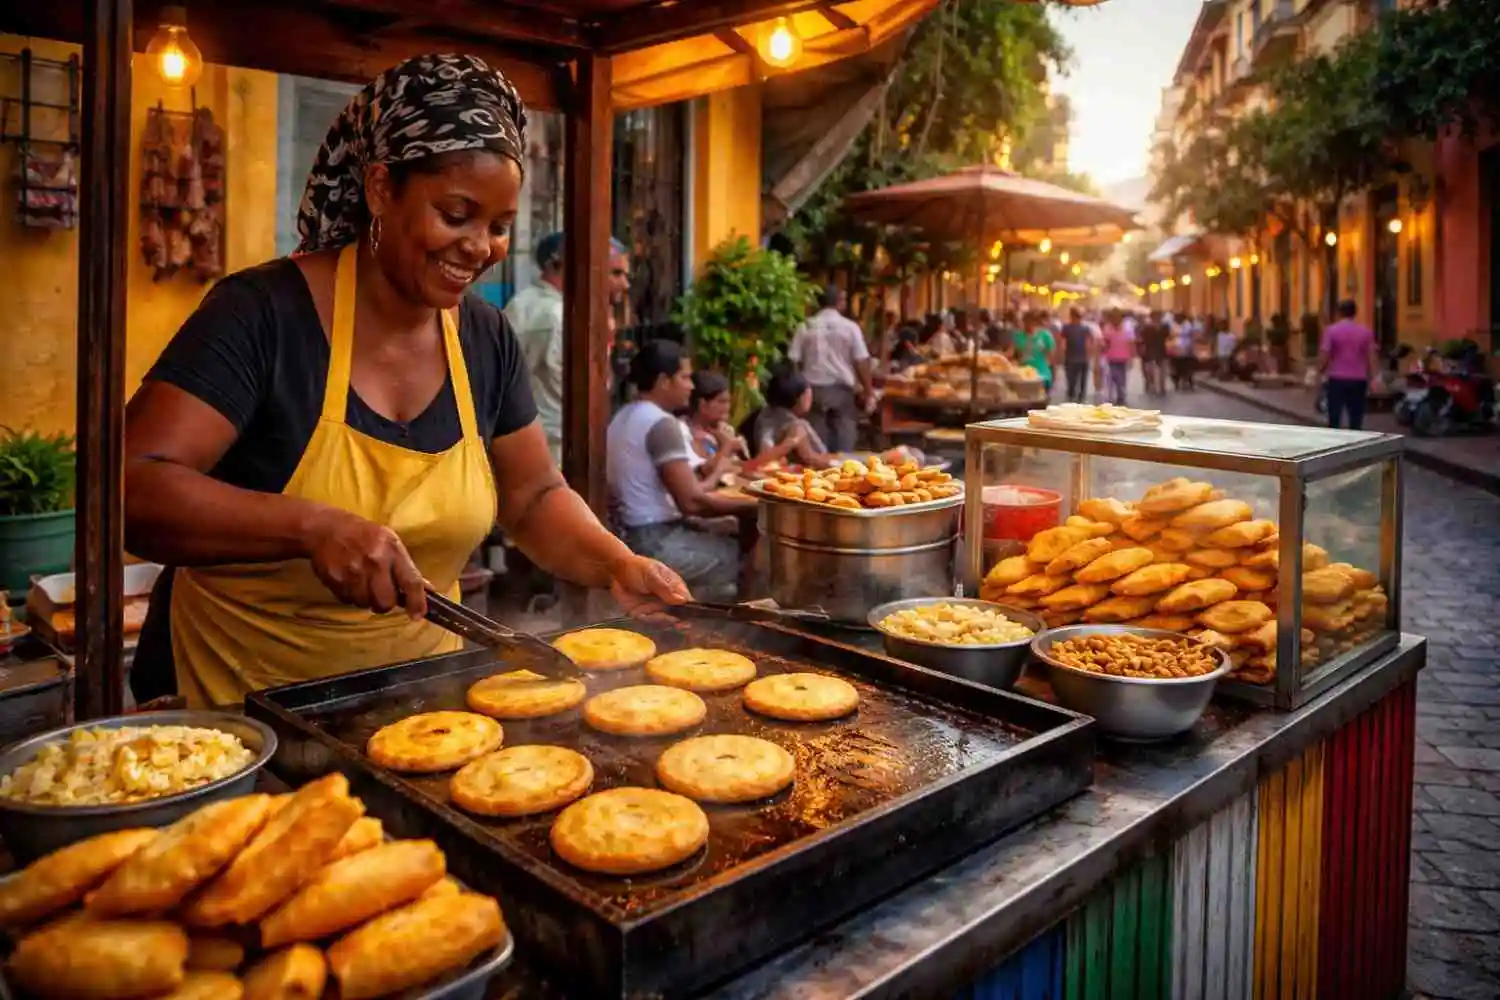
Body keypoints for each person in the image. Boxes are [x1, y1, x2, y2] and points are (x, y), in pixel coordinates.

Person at [122, 55, 688, 709]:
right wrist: (311, 527)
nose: (479, 247)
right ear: (381, 188)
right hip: (246, 716)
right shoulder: (262, 316)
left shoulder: (484, 338)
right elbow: (132, 487)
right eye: (456, 214)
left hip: (425, 713)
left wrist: (616, 562)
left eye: (499, 227)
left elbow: (531, 497)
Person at [607, 341, 757, 602]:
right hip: (653, 541)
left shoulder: (623, 415)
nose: (691, 385)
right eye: (685, 377)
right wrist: (754, 507)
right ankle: (726, 629)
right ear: (664, 381)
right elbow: (691, 502)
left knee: (728, 534)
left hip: (627, 533)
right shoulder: (661, 424)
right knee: (745, 556)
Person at [504, 232, 630, 466]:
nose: (624, 284)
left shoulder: (522, 304)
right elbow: (590, 390)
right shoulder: (561, 317)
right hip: (555, 448)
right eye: (615, 273)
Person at [787, 284, 875, 453]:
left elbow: (793, 361)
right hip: (842, 392)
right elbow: (861, 360)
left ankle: (818, 473)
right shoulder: (850, 327)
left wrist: (799, 391)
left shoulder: (805, 326)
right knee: (844, 440)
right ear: (840, 302)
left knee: (816, 443)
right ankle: (841, 472)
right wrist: (868, 391)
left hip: (812, 391)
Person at [744, 367, 833, 469]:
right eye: (808, 392)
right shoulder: (771, 418)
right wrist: (792, 443)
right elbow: (763, 457)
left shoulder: (794, 420)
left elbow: (822, 455)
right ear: (798, 397)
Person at [1319, 299, 1377, 430]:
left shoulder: (1331, 331)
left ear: (1339, 313)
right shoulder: (1366, 332)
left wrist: (1320, 371)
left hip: (1336, 378)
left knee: (1334, 416)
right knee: (1356, 417)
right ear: (1355, 313)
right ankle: (1354, 442)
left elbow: (1325, 355)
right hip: (1358, 379)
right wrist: (1373, 378)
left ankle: (1335, 443)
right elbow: (1371, 356)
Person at [680, 371, 740, 486]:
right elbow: (701, 474)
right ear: (702, 404)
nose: (727, 407)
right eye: (722, 401)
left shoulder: (723, 430)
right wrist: (726, 446)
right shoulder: (681, 431)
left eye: (729, 402)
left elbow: (735, 468)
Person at [1012, 311, 1058, 395]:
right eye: (1025, 322)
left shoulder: (1045, 336)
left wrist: (1054, 379)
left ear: (1036, 322)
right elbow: (1011, 353)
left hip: (1042, 375)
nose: (1027, 326)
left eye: (1030, 322)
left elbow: (1052, 359)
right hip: (1024, 376)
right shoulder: (1019, 336)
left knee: (1039, 404)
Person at [1100, 309, 1136, 405]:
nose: (1115, 320)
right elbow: (1104, 343)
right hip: (1111, 357)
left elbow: (1131, 343)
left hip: (1123, 358)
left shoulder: (1127, 328)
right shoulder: (1107, 328)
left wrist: (1132, 357)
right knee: (1111, 378)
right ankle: (1110, 397)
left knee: (1121, 379)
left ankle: (1121, 396)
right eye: (1113, 317)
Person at [1059, 307, 1094, 404]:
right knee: (1081, 379)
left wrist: (1062, 355)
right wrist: (1088, 356)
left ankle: (1072, 396)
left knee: (1072, 379)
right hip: (1081, 358)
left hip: (1071, 358)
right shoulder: (1085, 328)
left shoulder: (1066, 327)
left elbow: (1063, 344)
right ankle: (1080, 397)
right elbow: (1088, 344)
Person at [1140, 310, 1170, 395]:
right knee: (1153, 369)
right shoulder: (1148, 327)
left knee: (1160, 369)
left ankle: (1159, 385)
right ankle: (1154, 384)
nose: (1157, 319)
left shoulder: (1164, 327)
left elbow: (1167, 337)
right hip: (1153, 349)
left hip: (1158, 349)